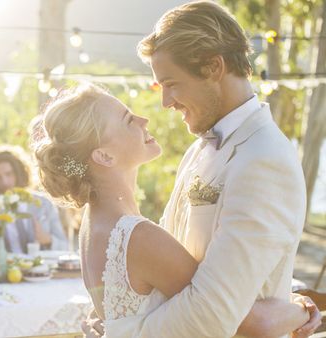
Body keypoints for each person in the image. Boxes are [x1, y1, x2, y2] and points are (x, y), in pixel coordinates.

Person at [78, 2, 321, 337]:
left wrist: (122, 333)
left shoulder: (265, 160)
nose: (165, 102)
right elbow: (168, 271)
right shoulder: (198, 149)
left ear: (213, 67)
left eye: (171, 83)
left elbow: (211, 311)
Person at [35, 83, 316, 338]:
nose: (143, 119)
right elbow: (246, 321)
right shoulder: (138, 237)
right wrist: (304, 308)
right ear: (104, 156)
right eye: (127, 119)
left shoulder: (93, 224)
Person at [0, 146, 68, 255]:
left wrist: (47, 239)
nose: (4, 182)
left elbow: (64, 246)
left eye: (8, 174)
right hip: (1, 270)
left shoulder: (43, 203)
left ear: (19, 172)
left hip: (38, 269)